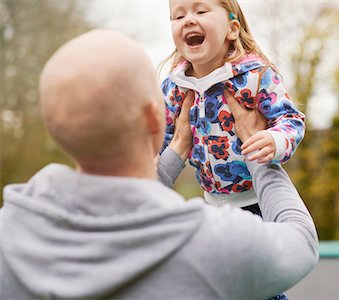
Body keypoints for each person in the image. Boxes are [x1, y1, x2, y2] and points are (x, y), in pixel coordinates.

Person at [0, 29, 318, 300]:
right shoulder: (210, 243)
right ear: (155, 119)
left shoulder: (10, 231)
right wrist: (257, 153)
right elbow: (300, 244)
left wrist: (177, 149)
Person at [161, 0, 306, 211]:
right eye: (179, 16)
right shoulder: (174, 87)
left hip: (259, 201)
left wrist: (276, 140)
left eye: (201, 11)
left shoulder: (255, 76)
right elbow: (163, 137)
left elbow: (290, 119)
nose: (189, 20)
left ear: (232, 29)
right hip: (209, 204)